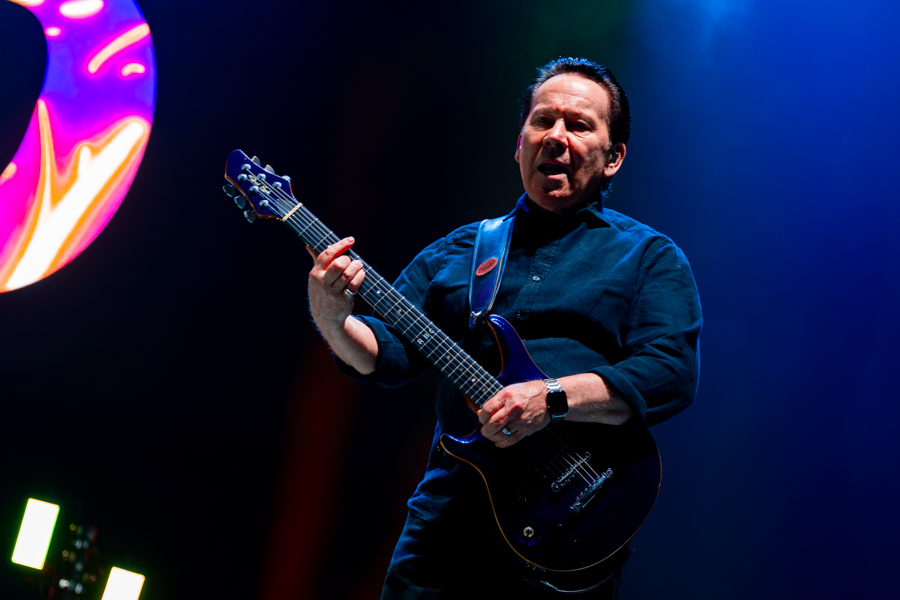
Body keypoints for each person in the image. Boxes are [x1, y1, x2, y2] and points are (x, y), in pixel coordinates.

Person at [306, 58, 701, 598]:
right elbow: (388, 354)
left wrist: (551, 398)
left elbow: (671, 371)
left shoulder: (649, 257)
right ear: (520, 144)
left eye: (579, 125)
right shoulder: (460, 251)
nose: (556, 137)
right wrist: (333, 317)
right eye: (543, 121)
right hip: (447, 523)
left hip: (571, 518)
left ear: (614, 158)